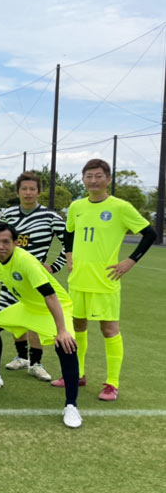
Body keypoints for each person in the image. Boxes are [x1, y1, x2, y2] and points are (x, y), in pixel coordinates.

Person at [53, 159, 156, 401]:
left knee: (109, 329)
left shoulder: (120, 207)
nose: (93, 180)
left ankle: (112, 383)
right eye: (89, 176)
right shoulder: (77, 206)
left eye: (98, 176)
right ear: (83, 180)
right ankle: (77, 374)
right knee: (77, 326)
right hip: (78, 279)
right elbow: (68, 232)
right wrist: (69, 256)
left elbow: (150, 233)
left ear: (108, 179)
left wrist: (129, 261)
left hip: (106, 280)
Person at [0, 222, 82, 428]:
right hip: (27, 306)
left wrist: (62, 330)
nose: (1, 246)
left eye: (6, 242)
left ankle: (71, 406)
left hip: (53, 307)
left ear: (16, 243)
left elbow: (50, 295)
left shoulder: (26, 261)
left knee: (66, 345)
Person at [0, 171, 67, 381]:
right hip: (11, 278)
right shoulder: (8, 215)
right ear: (17, 191)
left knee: (34, 321)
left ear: (39, 192)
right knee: (15, 318)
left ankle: (36, 363)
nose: (28, 193)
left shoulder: (50, 217)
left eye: (32, 189)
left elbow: (69, 244)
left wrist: (54, 267)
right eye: (24, 189)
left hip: (35, 280)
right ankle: (21, 357)